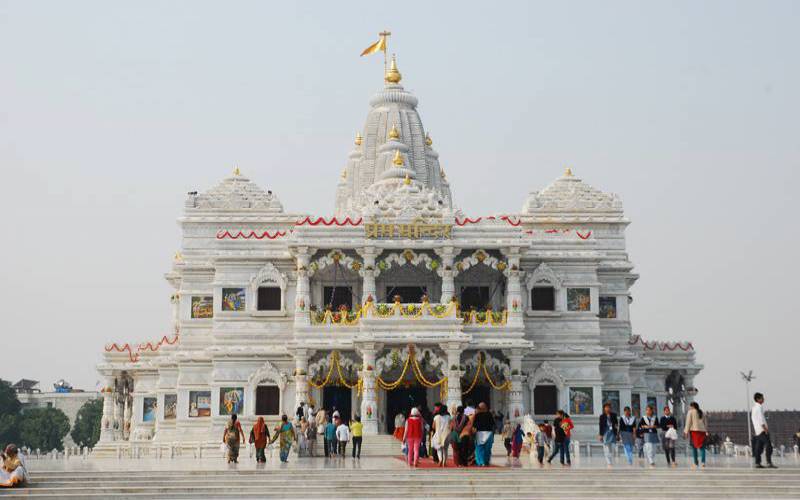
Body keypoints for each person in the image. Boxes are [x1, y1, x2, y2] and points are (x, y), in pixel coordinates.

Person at [751, 392, 778, 469]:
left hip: (757, 430)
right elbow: (760, 419)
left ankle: (757, 463)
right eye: (762, 398)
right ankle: (769, 462)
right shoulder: (759, 407)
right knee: (769, 445)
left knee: (758, 447)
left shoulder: (753, 408)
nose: (763, 399)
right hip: (762, 430)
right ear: (758, 399)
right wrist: (765, 429)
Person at [683, 401, 709, 469]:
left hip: (694, 431)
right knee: (702, 448)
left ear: (692, 406)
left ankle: (695, 463)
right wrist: (706, 431)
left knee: (694, 447)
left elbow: (688, 422)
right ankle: (703, 462)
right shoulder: (702, 412)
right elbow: (705, 423)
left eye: (690, 406)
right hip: (702, 431)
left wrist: (686, 431)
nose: (689, 407)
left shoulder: (690, 412)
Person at [473, 402, 495, 466]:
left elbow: (474, 425)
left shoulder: (477, 415)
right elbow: (493, 424)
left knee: (479, 449)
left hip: (480, 433)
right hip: (488, 433)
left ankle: (481, 462)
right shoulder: (489, 414)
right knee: (487, 449)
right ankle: (486, 461)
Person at [598, 403, 619, 468]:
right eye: (606, 407)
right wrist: (600, 435)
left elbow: (616, 425)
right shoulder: (602, 416)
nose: (607, 409)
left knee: (612, 447)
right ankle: (608, 462)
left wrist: (617, 434)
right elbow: (601, 426)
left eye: (609, 407)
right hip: (605, 433)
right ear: (604, 408)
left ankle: (610, 459)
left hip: (612, 433)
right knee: (606, 448)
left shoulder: (614, 415)